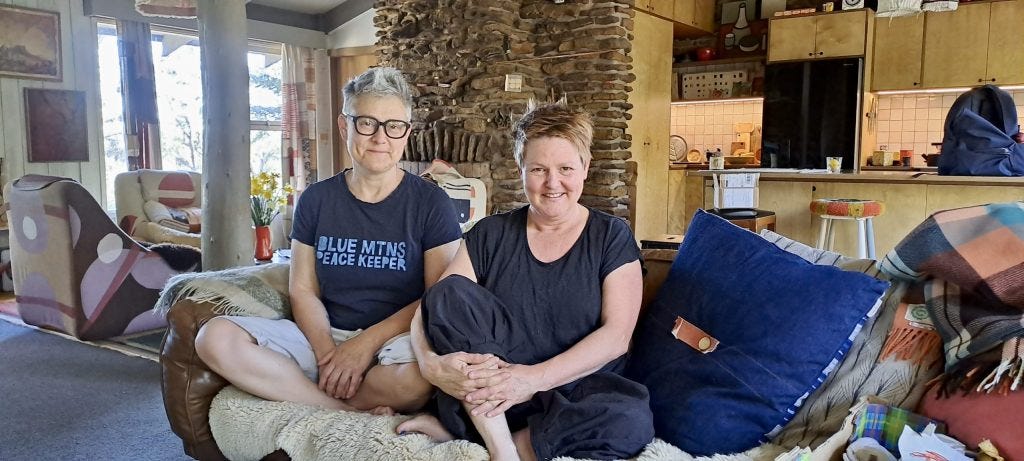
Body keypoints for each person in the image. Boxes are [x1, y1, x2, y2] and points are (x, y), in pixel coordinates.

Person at [194, 67, 462, 414]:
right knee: (214, 338)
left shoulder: (431, 202)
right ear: (343, 126)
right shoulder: (316, 199)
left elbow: (434, 297)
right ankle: (345, 410)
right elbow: (303, 289)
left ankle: (307, 396)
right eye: (366, 122)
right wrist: (327, 355)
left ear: (406, 133)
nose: (381, 138)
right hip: (322, 334)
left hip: (395, 342)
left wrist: (363, 346)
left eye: (394, 126)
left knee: (418, 379)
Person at [398, 101, 655, 460]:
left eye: (565, 167)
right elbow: (435, 306)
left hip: (575, 389)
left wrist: (531, 380)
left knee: (630, 421)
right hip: (494, 392)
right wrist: (430, 364)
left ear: (585, 167)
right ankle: (501, 447)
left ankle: (482, 440)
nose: (553, 183)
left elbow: (616, 338)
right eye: (538, 169)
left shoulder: (611, 236)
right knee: (448, 291)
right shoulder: (491, 233)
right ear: (521, 169)